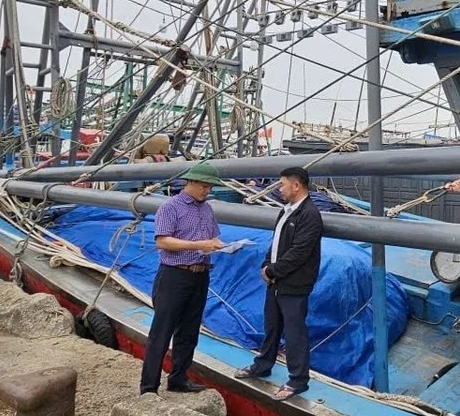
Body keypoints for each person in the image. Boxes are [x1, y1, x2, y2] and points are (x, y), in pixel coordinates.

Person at [234, 166, 323, 401]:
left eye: (282, 184)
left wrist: (272, 271)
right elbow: (275, 244)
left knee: (294, 333)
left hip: (294, 284)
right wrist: (267, 266)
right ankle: (262, 365)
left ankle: (298, 380)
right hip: (276, 282)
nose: (280, 188)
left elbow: (299, 252)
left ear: (296, 185)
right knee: (271, 326)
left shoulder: (310, 215)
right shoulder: (286, 211)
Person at [138, 161, 224, 395]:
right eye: (205, 186)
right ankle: (148, 388)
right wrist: (199, 244)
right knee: (162, 332)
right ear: (191, 182)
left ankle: (178, 379)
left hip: (200, 275)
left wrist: (219, 246)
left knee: (189, 331)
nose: (207, 191)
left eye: (210, 187)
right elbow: (163, 241)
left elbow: (213, 236)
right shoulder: (170, 207)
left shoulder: (207, 209)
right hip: (174, 276)